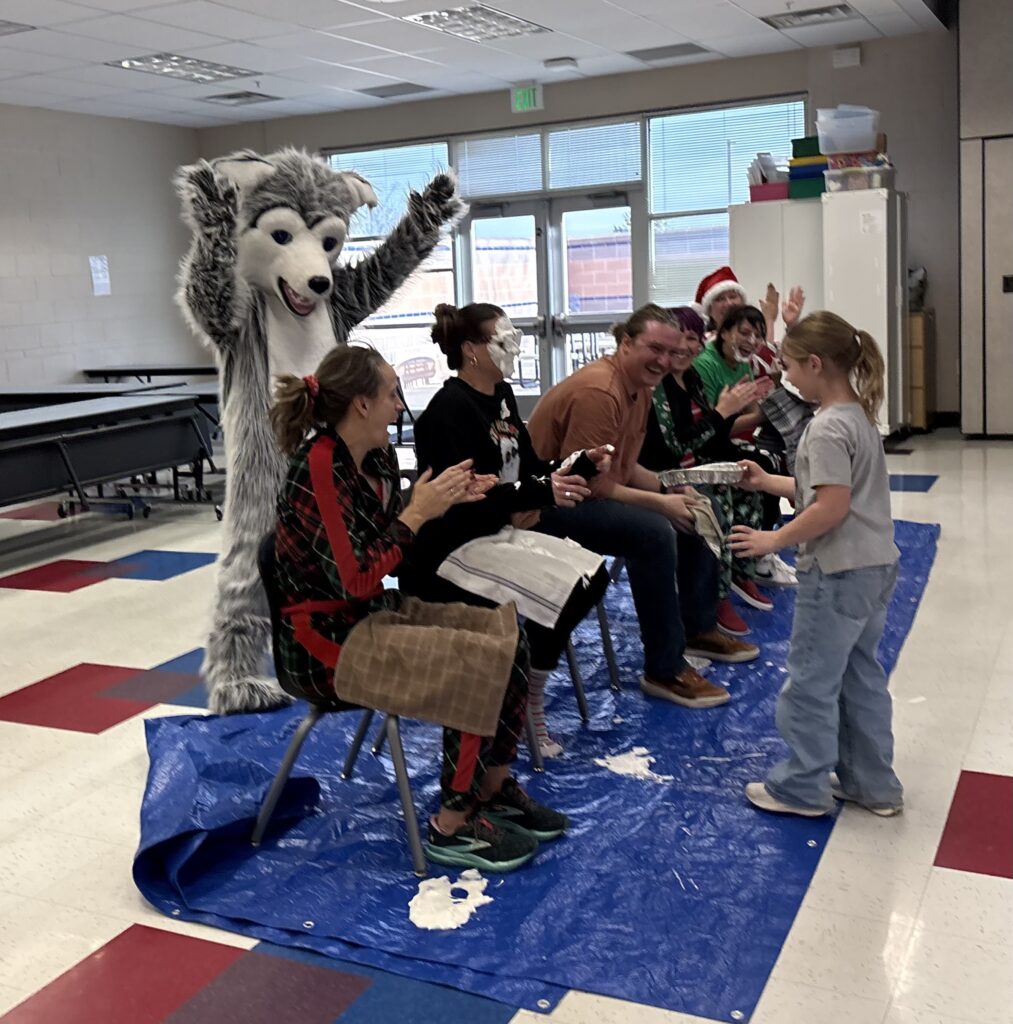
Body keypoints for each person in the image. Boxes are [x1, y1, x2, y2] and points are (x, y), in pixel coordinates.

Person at [270, 344, 569, 872]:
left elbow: (383, 539)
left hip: (363, 616)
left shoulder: (377, 458)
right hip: (319, 643)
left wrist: (442, 501)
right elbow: (357, 577)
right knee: (473, 660)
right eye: (391, 393)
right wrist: (418, 515)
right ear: (361, 405)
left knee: (509, 634)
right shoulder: (317, 466)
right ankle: (451, 825)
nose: (398, 404)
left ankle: (493, 787)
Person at [402, 302, 611, 757]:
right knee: (560, 591)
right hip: (453, 549)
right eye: (504, 339)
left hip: (498, 529)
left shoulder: (503, 395)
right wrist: (529, 498)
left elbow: (529, 469)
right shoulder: (447, 411)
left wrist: (579, 464)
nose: (515, 346)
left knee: (593, 574)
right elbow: (462, 501)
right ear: (472, 350)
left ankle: (531, 689)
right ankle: (528, 706)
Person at [527, 304, 759, 711]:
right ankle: (664, 668)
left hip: (587, 492)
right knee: (653, 533)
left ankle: (698, 627)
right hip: (545, 506)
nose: (665, 360)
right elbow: (592, 486)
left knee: (700, 507)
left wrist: (675, 493)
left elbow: (625, 467)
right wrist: (662, 503)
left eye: (671, 352)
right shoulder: (600, 391)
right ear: (626, 343)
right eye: (655, 348)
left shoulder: (640, 387)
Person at [728, 312, 903, 817]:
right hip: (874, 567)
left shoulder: (826, 429)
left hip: (837, 573)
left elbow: (830, 508)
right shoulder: (857, 417)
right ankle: (873, 784)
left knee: (809, 681)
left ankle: (801, 787)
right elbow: (827, 491)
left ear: (814, 363)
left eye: (788, 368)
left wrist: (772, 539)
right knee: (858, 677)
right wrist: (766, 482)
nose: (785, 378)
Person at [639, 306, 772, 637]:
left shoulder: (692, 378)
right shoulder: (659, 385)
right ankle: (718, 596)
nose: (686, 347)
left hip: (692, 461)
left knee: (748, 475)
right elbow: (677, 446)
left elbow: (709, 433)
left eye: (695, 338)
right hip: (664, 472)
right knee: (716, 500)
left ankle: (742, 571)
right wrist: (724, 412)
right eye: (680, 338)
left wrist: (731, 416)